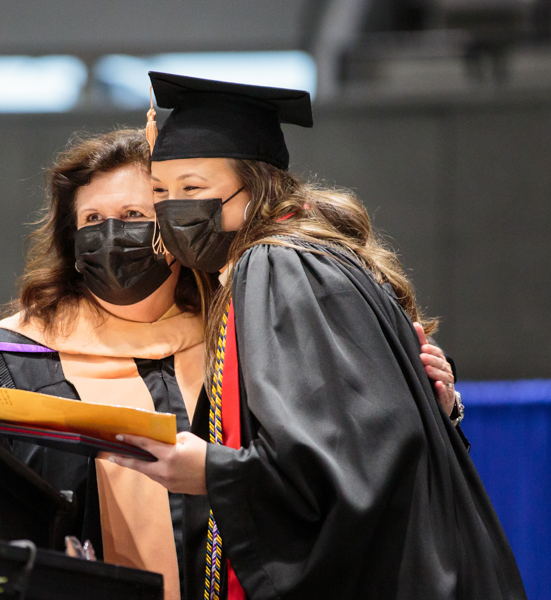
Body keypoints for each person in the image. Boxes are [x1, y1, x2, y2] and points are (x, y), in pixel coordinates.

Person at [110, 73, 526, 599]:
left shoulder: (277, 264)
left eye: (193, 188)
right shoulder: (320, 255)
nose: (173, 209)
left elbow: (334, 468)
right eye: (160, 192)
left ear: (255, 184)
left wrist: (212, 472)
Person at [0, 129, 207, 600]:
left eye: (132, 215)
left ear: (173, 228)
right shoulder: (14, 364)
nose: (110, 233)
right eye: (92, 218)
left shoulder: (229, 342)